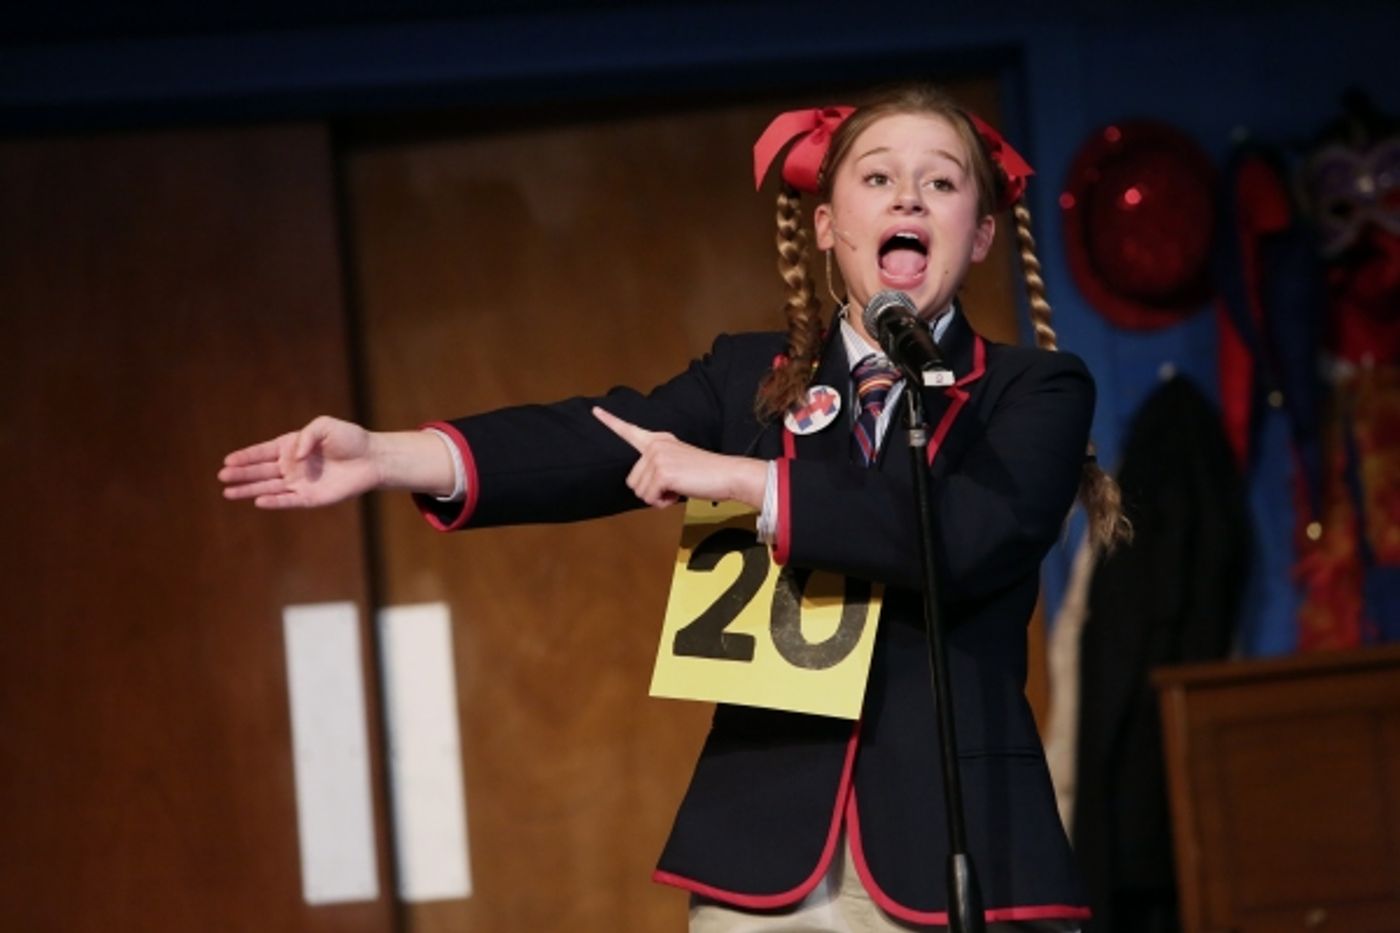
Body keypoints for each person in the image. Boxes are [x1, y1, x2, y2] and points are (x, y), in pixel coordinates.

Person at [220, 84, 1127, 932]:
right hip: (766, 856)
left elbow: (970, 534)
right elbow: (599, 439)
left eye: (941, 182)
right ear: (825, 224)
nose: (910, 200)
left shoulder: (1032, 388)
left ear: (977, 236)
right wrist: (389, 454)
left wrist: (747, 481)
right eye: (879, 177)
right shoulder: (749, 378)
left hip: (964, 846)